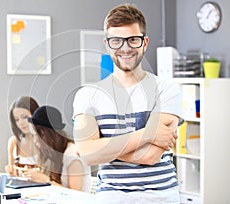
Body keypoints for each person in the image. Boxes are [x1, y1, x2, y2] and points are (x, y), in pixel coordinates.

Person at [72, 3, 183, 203]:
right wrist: (147, 133)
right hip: (110, 198)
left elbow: (150, 155)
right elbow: (87, 156)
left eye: (133, 40)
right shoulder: (87, 95)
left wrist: (99, 148)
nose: (125, 48)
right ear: (107, 44)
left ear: (145, 42)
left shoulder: (166, 89)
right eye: (116, 41)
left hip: (160, 197)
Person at [23, 105, 91, 192]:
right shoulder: (58, 154)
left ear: (44, 133)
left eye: (36, 135)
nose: (35, 140)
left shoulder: (72, 155)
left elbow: (75, 194)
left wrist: (46, 180)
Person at [5, 96, 41, 176]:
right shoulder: (13, 142)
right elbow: (13, 176)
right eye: (17, 119)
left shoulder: (45, 142)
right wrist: (10, 171)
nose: (21, 123)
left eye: (25, 117)